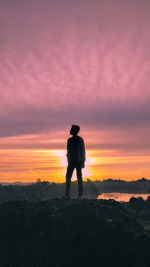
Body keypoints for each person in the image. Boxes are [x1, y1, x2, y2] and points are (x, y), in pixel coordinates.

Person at [65, 125, 86, 199]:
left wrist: (82, 161)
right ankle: (67, 195)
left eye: (71, 129)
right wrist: (68, 159)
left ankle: (80, 195)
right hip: (71, 162)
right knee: (68, 177)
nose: (70, 130)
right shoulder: (69, 140)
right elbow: (68, 151)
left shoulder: (80, 139)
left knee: (79, 178)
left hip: (78, 161)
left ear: (75, 130)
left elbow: (82, 150)